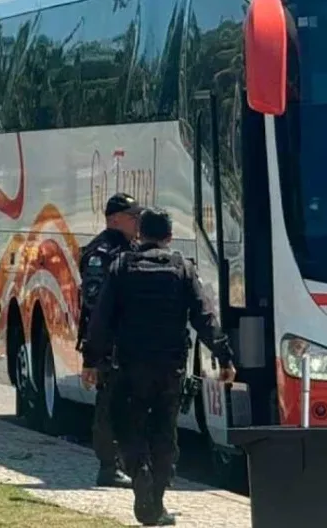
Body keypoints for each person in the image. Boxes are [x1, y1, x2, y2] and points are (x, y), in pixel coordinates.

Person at [82, 208, 237, 526]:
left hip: (129, 366)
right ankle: (158, 502)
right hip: (170, 368)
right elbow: (204, 316)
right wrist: (223, 356)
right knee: (165, 432)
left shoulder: (122, 265)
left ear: (140, 234)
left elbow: (102, 319)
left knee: (129, 427)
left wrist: (91, 361)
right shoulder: (182, 268)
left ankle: (140, 474)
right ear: (168, 236)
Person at [77, 192, 141, 489]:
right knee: (109, 403)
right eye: (133, 216)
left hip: (130, 340)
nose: (137, 221)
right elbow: (94, 301)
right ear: (115, 219)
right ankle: (108, 466)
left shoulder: (130, 247)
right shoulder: (102, 252)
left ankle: (131, 463)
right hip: (109, 342)